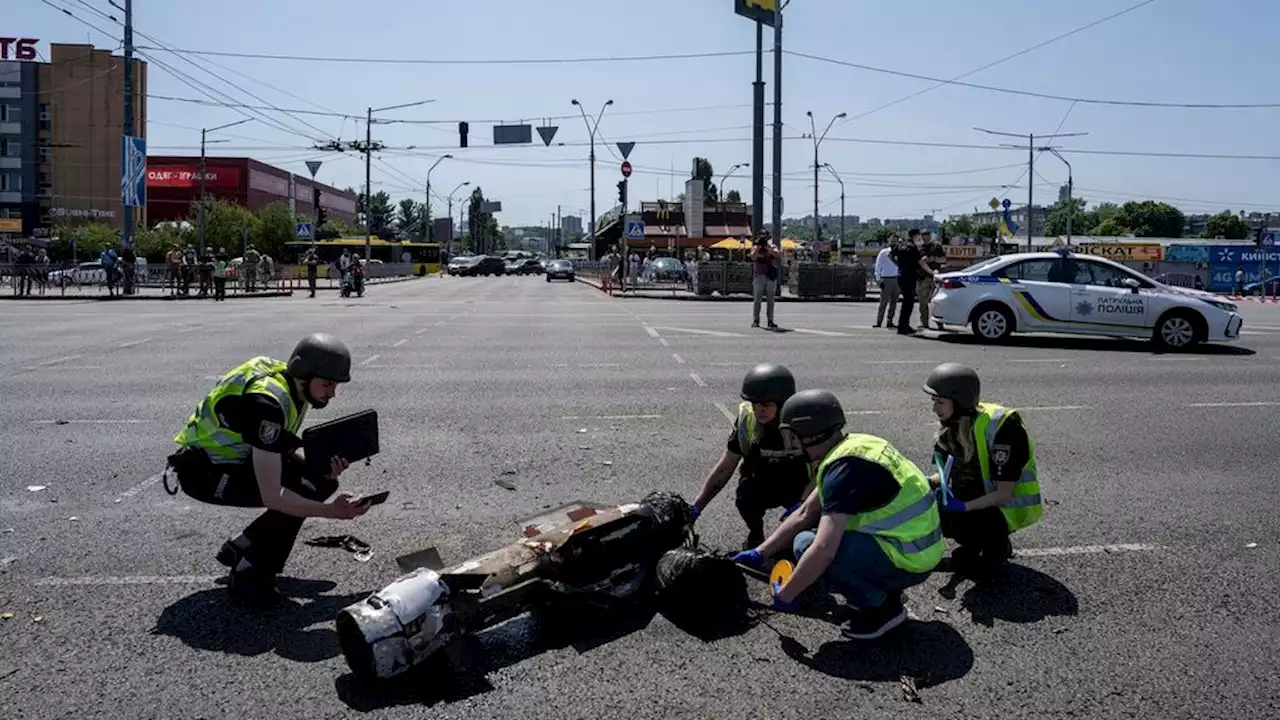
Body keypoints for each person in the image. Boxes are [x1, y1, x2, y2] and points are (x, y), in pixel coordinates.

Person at [166, 333, 369, 607]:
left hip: (234, 460)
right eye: (328, 384)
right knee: (303, 492)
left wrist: (321, 467)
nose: (332, 393)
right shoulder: (267, 403)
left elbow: (277, 442)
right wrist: (331, 512)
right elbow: (274, 496)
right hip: (205, 474)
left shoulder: (290, 382)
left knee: (320, 481)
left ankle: (245, 546)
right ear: (304, 374)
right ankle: (249, 573)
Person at [734, 389, 944, 640]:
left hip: (910, 558)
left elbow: (824, 549)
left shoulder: (840, 472)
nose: (790, 442)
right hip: (917, 547)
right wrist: (761, 553)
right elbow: (805, 513)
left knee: (807, 545)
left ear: (806, 435)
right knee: (810, 539)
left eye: (791, 435)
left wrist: (786, 595)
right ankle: (879, 590)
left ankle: (883, 609)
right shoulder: (851, 448)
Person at [922, 363, 1043, 574]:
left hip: (1006, 507)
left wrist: (963, 508)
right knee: (929, 503)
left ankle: (995, 547)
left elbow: (1004, 495)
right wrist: (922, 483)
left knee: (986, 572)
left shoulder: (1003, 428)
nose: (934, 409)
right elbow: (946, 473)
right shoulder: (953, 425)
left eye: (940, 402)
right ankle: (971, 544)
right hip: (979, 497)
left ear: (958, 402)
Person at [689, 364, 810, 549]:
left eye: (766, 404)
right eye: (755, 403)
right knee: (746, 496)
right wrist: (696, 508)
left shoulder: (802, 424)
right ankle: (756, 534)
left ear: (783, 402)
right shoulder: (748, 420)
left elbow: (822, 473)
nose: (758, 409)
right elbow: (725, 468)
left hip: (799, 487)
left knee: (799, 544)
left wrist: (803, 507)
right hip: (763, 482)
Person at [891, 230, 922, 334]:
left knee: (907, 301)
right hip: (909, 276)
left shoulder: (901, 245)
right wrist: (932, 272)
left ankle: (904, 325)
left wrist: (899, 265)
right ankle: (903, 326)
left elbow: (891, 254)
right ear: (916, 236)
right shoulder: (913, 247)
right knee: (908, 303)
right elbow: (920, 262)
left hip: (901, 275)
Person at [750, 233, 779, 330]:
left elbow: (777, 254)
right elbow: (753, 257)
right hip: (759, 276)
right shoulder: (755, 247)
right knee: (757, 299)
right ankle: (756, 320)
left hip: (770, 276)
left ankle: (770, 320)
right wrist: (758, 248)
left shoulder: (771, 246)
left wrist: (768, 248)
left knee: (770, 300)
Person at [917, 231, 945, 328]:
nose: (925, 238)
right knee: (923, 302)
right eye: (923, 237)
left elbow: (943, 260)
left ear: (930, 236)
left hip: (935, 278)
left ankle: (940, 323)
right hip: (922, 278)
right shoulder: (919, 248)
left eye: (927, 236)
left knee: (937, 302)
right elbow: (917, 262)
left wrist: (933, 259)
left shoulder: (936, 246)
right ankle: (924, 323)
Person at [873, 242, 899, 329]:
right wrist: (878, 278)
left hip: (896, 278)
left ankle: (890, 321)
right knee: (883, 301)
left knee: (894, 302)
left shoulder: (900, 253)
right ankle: (879, 321)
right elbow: (878, 265)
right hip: (886, 278)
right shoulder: (884, 252)